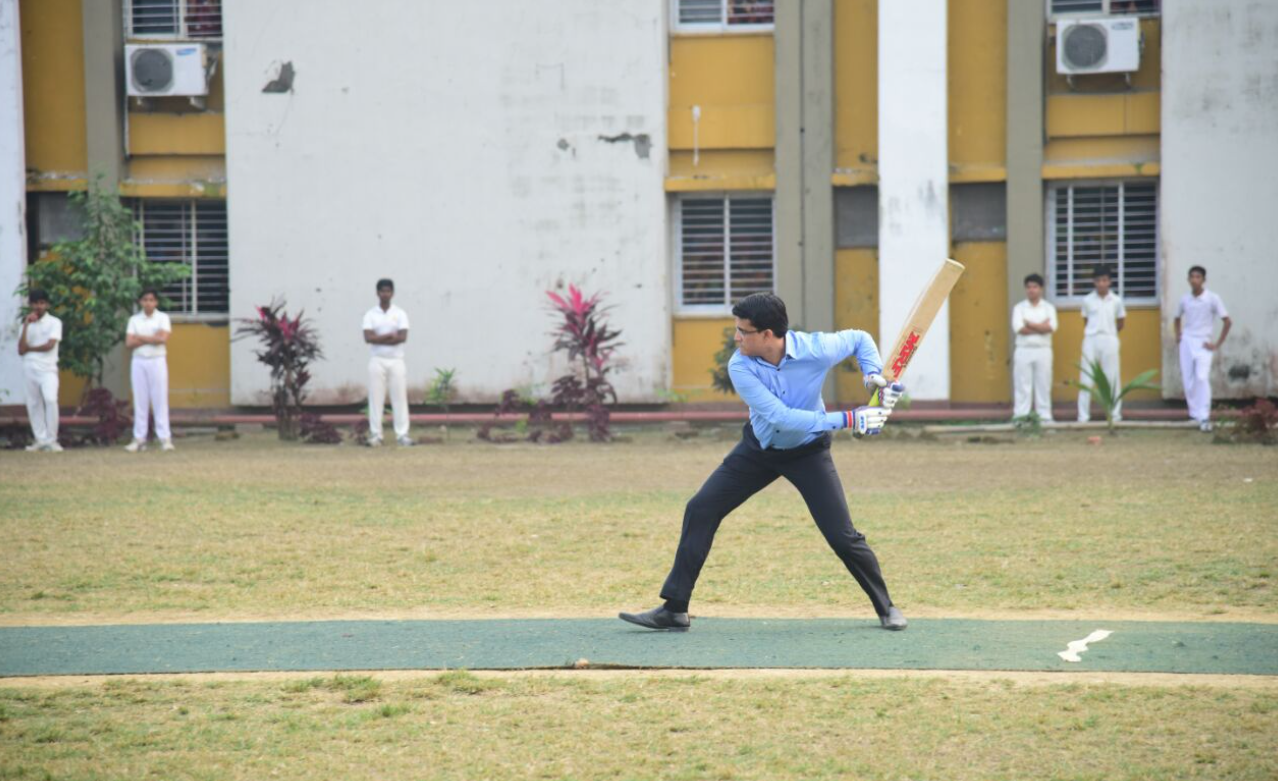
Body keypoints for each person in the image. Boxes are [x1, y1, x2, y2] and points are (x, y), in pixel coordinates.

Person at [619, 293, 907, 632]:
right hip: (758, 450)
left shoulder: (815, 349)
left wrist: (871, 375)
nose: (736, 338)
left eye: (743, 331)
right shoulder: (740, 365)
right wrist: (849, 419)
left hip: (808, 453)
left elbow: (860, 339)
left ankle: (887, 608)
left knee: (842, 537)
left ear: (768, 334)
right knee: (700, 508)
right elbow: (780, 417)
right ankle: (674, 609)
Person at [1174, 266, 1231, 432]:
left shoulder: (1212, 298)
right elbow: (1177, 318)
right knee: (1188, 379)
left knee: (1201, 377)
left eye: (1198, 277)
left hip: (1204, 342)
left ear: (1203, 280)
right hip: (1187, 341)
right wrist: (1178, 335)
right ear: (1188, 280)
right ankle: (1194, 414)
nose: (1194, 280)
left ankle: (1204, 416)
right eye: (1191, 277)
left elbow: (1227, 321)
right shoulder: (1185, 299)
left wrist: (1217, 344)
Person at [362, 278, 413, 447]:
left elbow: (402, 337)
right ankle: (376, 435)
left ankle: (402, 435)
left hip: (396, 361)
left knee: (399, 398)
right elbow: (368, 338)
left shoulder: (400, 313)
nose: (385, 294)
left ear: (392, 293)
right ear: (377, 293)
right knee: (375, 399)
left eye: (388, 291)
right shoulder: (370, 314)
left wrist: (379, 338)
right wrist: (389, 336)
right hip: (377, 360)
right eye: (382, 291)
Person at [124, 289, 174, 452]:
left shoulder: (162, 318)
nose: (148, 303)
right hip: (139, 361)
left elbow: (162, 339)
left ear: (156, 302)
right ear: (140, 302)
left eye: (151, 300)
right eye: (145, 300)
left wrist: (140, 337)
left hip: (157, 360)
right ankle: (139, 438)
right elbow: (129, 343)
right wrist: (152, 338)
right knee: (140, 401)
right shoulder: (134, 319)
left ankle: (164, 438)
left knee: (160, 400)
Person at [1077, 266, 1126, 423]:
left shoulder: (1116, 300)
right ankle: (1083, 417)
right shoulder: (1087, 300)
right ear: (1094, 282)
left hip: (1110, 339)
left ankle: (1114, 415)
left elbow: (1121, 322)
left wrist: (1109, 332)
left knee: (1112, 377)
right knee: (1086, 378)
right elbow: (1086, 321)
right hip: (1091, 339)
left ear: (1110, 282)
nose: (1101, 284)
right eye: (1098, 280)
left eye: (1104, 280)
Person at [17, 289, 63, 452]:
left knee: (50, 400)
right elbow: (21, 350)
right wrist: (27, 325)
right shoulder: (25, 324)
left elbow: (49, 345)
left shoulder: (55, 322)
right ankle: (40, 439)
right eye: (35, 303)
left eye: (42, 303)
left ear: (47, 305)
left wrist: (30, 348)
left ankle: (52, 440)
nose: (38, 306)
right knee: (34, 403)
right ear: (31, 305)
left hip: (48, 368)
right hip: (29, 367)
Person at [1011, 273, 1058, 423]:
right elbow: (1019, 329)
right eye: (1029, 287)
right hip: (1023, 349)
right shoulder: (1019, 308)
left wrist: (1029, 324)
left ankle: (1044, 417)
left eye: (1035, 287)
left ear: (1041, 289)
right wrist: (1040, 326)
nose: (1031, 290)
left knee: (1043, 384)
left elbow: (1051, 327)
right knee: (1022, 385)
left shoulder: (1049, 308)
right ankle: (1021, 417)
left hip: (1043, 349)